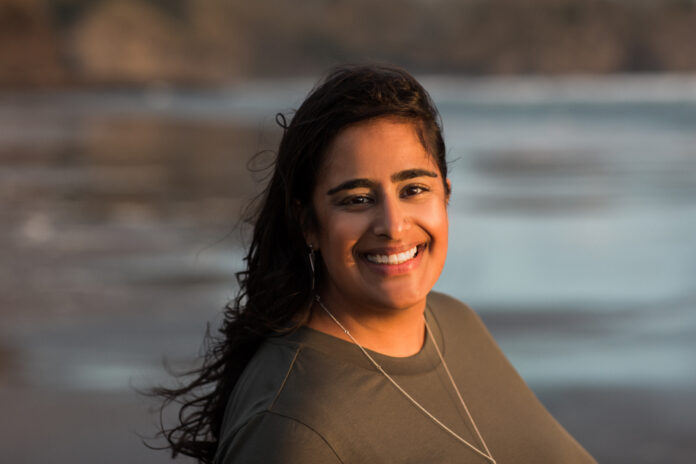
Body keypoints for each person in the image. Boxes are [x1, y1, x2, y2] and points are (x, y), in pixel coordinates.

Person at [153, 65, 597, 463]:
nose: (393, 226)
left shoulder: (453, 322)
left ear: (445, 193)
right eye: (358, 199)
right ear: (308, 223)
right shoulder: (294, 430)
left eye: (414, 190)